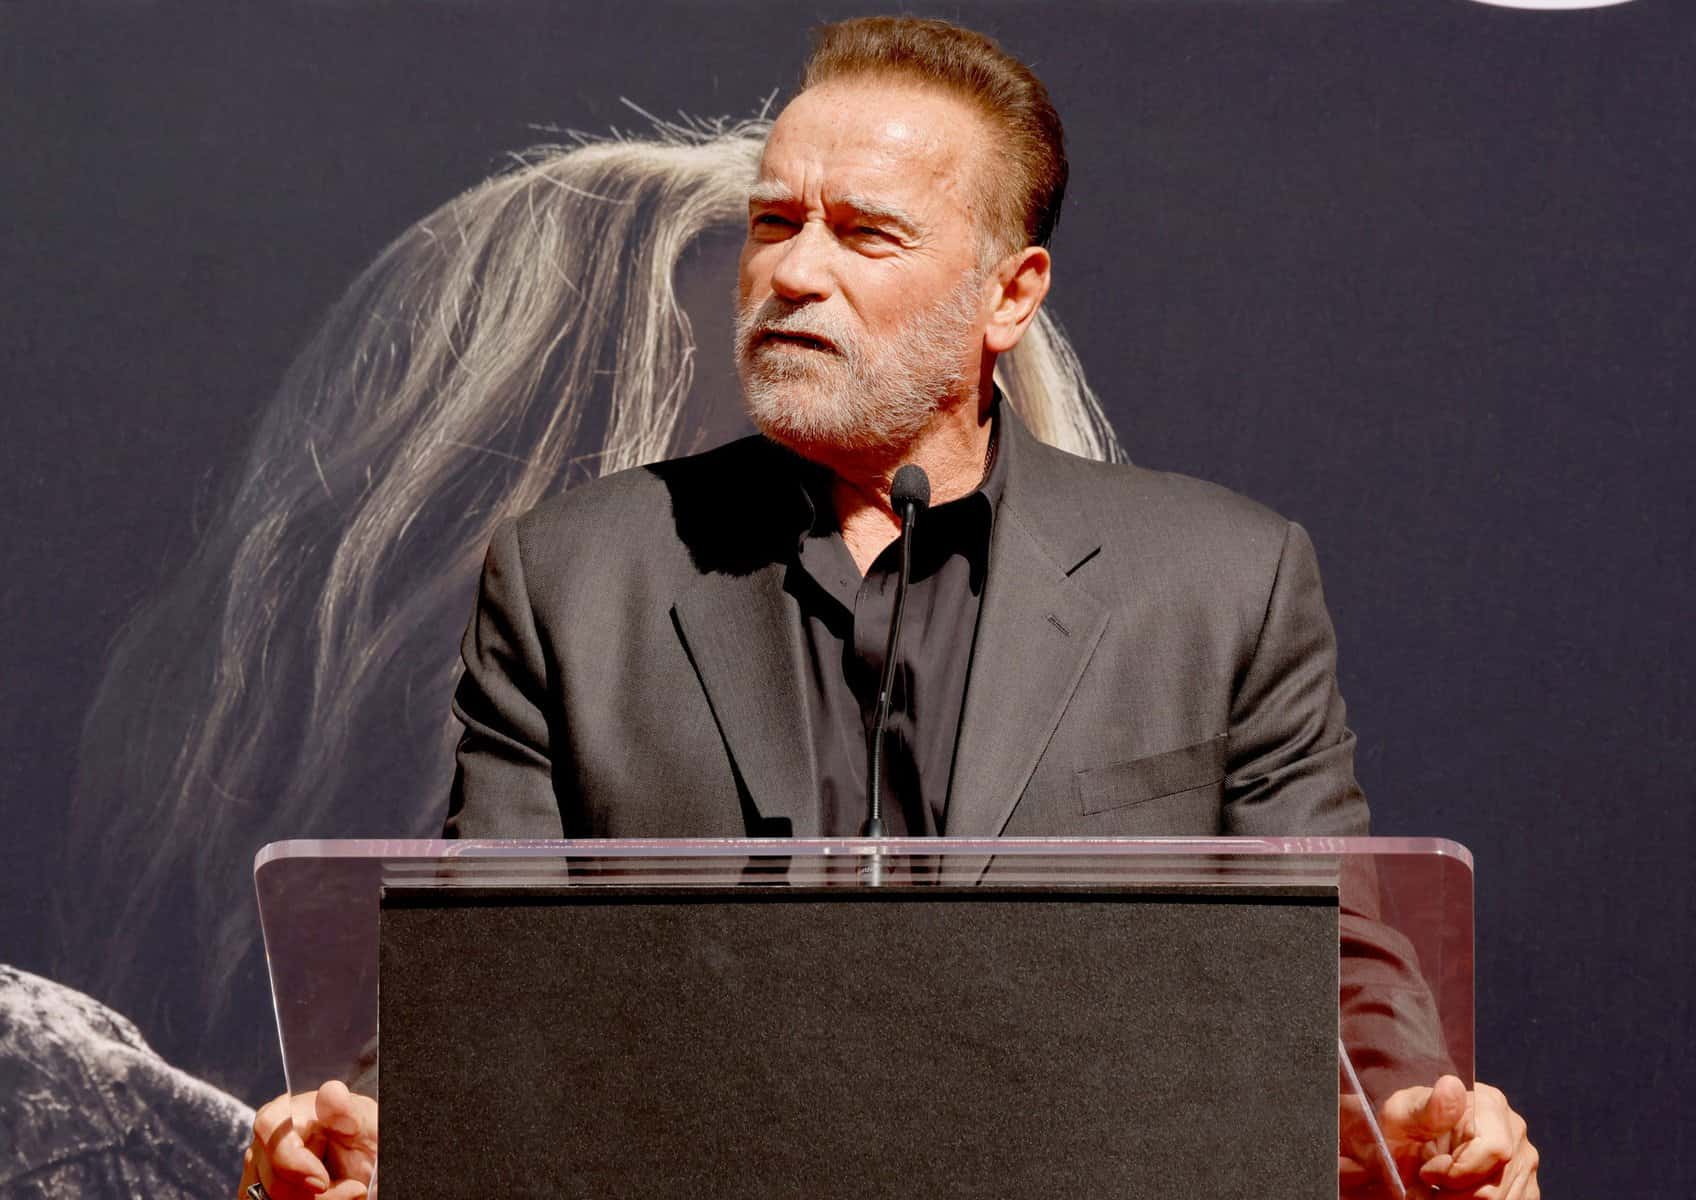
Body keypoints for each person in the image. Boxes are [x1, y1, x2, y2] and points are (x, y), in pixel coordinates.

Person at [240, 16, 1539, 1200]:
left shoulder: (1216, 580)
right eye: (770, 222)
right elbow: (479, 980)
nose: (792, 274)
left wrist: (1416, 1120)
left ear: (1006, 295)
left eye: (863, 234)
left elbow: (1339, 973)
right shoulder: (573, 577)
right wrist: (364, 1127)